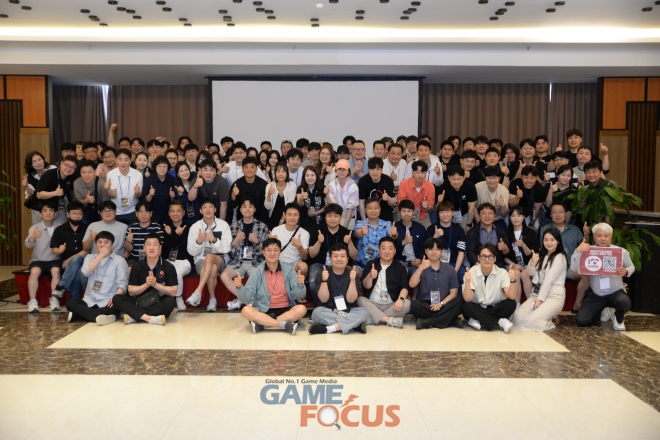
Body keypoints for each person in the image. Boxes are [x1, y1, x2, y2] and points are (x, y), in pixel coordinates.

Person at [232, 238, 307, 334]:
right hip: (263, 310)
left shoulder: (288, 270)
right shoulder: (257, 272)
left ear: (280, 252)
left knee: (301, 309)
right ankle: (283, 324)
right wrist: (239, 287)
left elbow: (300, 296)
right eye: (269, 250)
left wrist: (300, 285)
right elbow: (247, 299)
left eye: (275, 250)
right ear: (263, 252)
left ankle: (264, 324)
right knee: (246, 310)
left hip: (285, 309)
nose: (272, 253)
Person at [571, 223, 634, 331]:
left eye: (606, 236)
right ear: (594, 237)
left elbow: (631, 266)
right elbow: (573, 267)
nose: (603, 239)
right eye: (599, 235)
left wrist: (626, 271)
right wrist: (578, 251)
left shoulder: (620, 251)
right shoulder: (587, 250)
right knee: (581, 321)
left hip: (615, 292)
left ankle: (618, 318)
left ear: (611, 237)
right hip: (596, 294)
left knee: (624, 302)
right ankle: (602, 312)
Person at [113, 232, 177, 325]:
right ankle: (149, 318)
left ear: (160, 248)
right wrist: (146, 285)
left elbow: (173, 292)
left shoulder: (168, 267)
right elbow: (131, 292)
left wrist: (155, 284)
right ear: (144, 247)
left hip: (158, 302)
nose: (151, 248)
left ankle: (135, 316)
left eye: (155, 244)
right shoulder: (137, 266)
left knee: (170, 302)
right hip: (139, 302)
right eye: (148, 244)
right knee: (117, 298)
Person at [65, 231, 128, 325]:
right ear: (95, 244)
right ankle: (99, 316)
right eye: (99, 242)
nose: (102, 245)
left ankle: (80, 315)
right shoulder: (89, 257)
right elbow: (85, 272)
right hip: (89, 301)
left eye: (106, 242)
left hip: (108, 301)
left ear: (112, 245)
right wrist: (101, 255)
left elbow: (122, 283)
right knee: (70, 303)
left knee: (115, 308)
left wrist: (115, 298)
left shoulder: (119, 260)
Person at [512, 229, 567, 331]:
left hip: (553, 296)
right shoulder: (541, 254)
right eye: (546, 240)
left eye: (552, 240)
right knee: (516, 318)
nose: (549, 243)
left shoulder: (560, 257)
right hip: (536, 294)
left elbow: (549, 279)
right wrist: (532, 262)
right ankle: (546, 317)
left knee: (531, 321)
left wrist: (540, 300)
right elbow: (530, 272)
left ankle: (549, 319)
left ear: (558, 241)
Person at [309, 244, 369, 335]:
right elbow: (323, 299)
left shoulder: (353, 274)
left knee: (364, 312)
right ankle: (354, 325)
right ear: (330, 259)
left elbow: (351, 299)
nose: (339, 259)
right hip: (328, 311)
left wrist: (352, 280)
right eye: (336, 256)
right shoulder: (322, 273)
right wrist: (324, 280)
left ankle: (330, 328)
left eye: (342, 256)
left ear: (347, 259)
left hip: (348, 311)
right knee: (316, 312)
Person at [186, 197, 232, 311]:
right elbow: (191, 251)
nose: (208, 210)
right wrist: (199, 241)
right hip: (201, 259)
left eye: (210, 207)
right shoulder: (195, 227)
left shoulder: (223, 225)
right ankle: (212, 300)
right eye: (205, 207)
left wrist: (214, 240)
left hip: (220, 258)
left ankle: (198, 291)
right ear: (200, 210)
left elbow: (227, 248)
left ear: (215, 209)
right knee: (212, 268)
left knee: (210, 257)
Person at [307, 203, 358, 306]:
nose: (332, 219)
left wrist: (349, 243)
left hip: (341, 266)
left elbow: (354, 256)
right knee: (313, 278)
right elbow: (311, 254)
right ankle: (320, 307)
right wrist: (319, 242)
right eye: (329, 216)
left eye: (336, 216)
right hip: (320, 265)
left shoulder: (346, 233)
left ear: (340, 217)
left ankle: (343, 307)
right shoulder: (318, 231)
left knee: (352, 275)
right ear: (325, 217)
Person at [220, 197, 270, 300]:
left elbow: (266, 252)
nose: (247, 209)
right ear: (240, 210)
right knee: (224, 276)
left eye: (250, 207)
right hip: (238, 261)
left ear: (254, 209)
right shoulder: (233, 227)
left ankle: (242, 300)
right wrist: (237, 241)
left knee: (260, 277)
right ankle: (244, 299)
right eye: (244, 207)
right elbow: (230, 251)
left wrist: (256, 242)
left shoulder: (263, 226)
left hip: (255, 262)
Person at [462, 244, 518, 333]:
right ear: (479, 258)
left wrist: (512, 280)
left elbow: (512, 296)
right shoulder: (471, 272)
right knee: (466, 307)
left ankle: (479, 319)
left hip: (496, 307)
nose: (487, 259)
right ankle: (499, 321)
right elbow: (468, 299)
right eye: (484, 256)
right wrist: (468, 281)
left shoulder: (502, 272)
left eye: (490, 256)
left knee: (511, 304)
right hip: (478, 306)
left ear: (495, 258)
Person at [410, 238, 464, 329]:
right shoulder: (421, 268)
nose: (434, 252)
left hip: (444, 304)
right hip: (426, 305)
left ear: (441, 252)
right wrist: (421, 268)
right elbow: (412, 284)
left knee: (460, 301)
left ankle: (428, 322)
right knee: (414, 305)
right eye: (431, 249)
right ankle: (449, 320)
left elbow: (454, 293)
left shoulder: (450, 270)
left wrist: (441, 304)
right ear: (426, 251)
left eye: (437, 249)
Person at [358, 237, 410, 328]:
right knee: (360, 300)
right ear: (378, 250)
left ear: (394, 251)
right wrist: (370, 276)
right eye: (383, 248)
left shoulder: (400, 267)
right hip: (373, 303)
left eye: (390, 248)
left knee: (407, 304)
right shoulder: (371, 264)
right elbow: (365, 286)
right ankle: (388, 320)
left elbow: (404, 287)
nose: (387, 251)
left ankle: (373, 317)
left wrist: (400, 300)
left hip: (391, 305)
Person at [24, 202, 62, 313]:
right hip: (38, 260)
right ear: (40, 214)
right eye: (45, 211)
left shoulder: (60, 227)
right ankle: (32, 301)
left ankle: (54, 300)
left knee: (56, 271)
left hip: (54, 260)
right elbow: (28, 244)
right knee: (34, 272)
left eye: (51, 210)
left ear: (55, 213)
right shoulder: (35, 228)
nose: (48, 213)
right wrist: (33, 237)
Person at [50, 202, 88, 301]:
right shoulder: (60, 230)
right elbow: (54, 250)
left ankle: (62, 285)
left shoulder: (87, 228)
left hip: (84, 260)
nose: (77, 216)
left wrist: (70, 259)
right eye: (74, 213)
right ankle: (74, 297)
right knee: (78, 270)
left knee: (77, 259)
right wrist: (59, 250)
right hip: (65, 262)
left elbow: (87, 250)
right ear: (68, 214)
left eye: (80, 214)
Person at [427, 201, 467, 295]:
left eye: (447, 211)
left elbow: (461, 252)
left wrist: (455, 270)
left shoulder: (459, 230)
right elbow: (427, 249)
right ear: (438, 214)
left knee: (463, 275)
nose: (445, 215)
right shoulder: (431, 228)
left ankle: (459, 300)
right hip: (436, 263)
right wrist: (435, 236)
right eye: (442, 212)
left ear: (452, 213)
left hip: (454, 263)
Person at [161, 200, 194, 311]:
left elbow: (187, 249)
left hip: (184, 261)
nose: (175, 214)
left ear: (183, 212)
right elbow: (165, 250)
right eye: (172, 211)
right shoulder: (165, 228)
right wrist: (172, 235)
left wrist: (178, 235)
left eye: (178, 211)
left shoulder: (190, 227)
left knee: (177, 273)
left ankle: (179, 299)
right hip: (168, 260)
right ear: (169, 213)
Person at [540, 202, 584, 280]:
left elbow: (583, 246)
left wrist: (586, 235)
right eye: (554, 212)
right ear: (551, 215)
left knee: (586, 276)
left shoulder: (575, 229)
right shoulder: (545, 229)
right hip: (552, 265)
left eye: (561, 212)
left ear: (565, 214)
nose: (558, 215)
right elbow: (542, 249)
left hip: (571, 266)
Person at [504, 206, 538, 305]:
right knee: (516, 273)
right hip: (511, 264)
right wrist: (514, 265)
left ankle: (530, 304)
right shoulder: (506, 233)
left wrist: (523, 245)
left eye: (519, 215)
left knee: (524, 274)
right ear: (509, 217)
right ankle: (517, 304)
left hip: (528, 264)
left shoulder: (531, 233)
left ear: (523, 217)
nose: (516, 218)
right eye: (513, 215)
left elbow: (532, 254)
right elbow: (503, 256)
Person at [353, 198, 398, 270]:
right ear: (365, 210)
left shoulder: (386, 224)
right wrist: (362, 232)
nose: (373, 211)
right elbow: (357, 233)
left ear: (380, 209)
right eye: (370, 208)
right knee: (354, 272)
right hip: (362, 264)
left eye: (375, 208)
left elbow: (393, 235)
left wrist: (394, 234)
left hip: (382, 265)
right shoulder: (360, 223)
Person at [35, 155, 77, 226]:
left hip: (58, 208)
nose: (69, 169)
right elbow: (39, 195)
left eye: (73, 167)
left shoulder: (72, 177)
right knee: (41, 231)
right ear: (61, 164)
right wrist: (55, 193)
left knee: (60, 230)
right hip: (41, 209)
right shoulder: (49, 174)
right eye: (67, 165)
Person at [465, 203, 511, 268]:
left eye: (490, 213)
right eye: (484, 213)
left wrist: (505, 248)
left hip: (497, 264)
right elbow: (470, 251)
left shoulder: (501, 231)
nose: (487, 216)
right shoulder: (472, 232)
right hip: (479, 264)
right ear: (479, 216)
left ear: (494, 216)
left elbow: (507, 253)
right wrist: (478, 264)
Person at [105, 148, 143, 225]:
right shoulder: (111, 174)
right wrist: (108, 189)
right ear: (116, 160)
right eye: (120, 159)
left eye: (126, 160)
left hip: (132, 210)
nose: (123, 163)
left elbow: (138, 197)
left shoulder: (138, 175)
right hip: (116, 211)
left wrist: (137, 192)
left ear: (130, 160)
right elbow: (113, 195)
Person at [270, 203, 310, 276]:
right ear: (285, 215)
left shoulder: (305, 233)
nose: (292, 218)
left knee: (303, 267)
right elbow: (270, 253)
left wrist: (299, 246)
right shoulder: (276, 230)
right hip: (278, 261)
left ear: (299, 216)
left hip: (295, 263)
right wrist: (270, 243)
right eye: (289, 214)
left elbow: (305, 257)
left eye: (295, 215)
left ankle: (299, 283)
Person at [124, 201, 164, 269]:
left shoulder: (157, 228)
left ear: (151, 213)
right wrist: (128, 241)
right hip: (134, 261)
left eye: (147, 211)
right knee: (129, 271)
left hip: (152, 260)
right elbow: (129, 250)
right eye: (141, 212)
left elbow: (159, 249)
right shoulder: (131, 228)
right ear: (136, 214)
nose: (143, 214)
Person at [228, 156, 268, 224]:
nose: (249, 170)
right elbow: (231, 205)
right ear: (242, 169)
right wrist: (233, 195)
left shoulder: (264, 185)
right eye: (246, 167)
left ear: (256, 169)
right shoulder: (237, 184)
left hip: (260, 220)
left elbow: (265, 207)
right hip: (241, 220)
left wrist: (262, 224)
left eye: (252, 167)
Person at [437, 166, 477, 230]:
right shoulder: (443, 187)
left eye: (459, 179)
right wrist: (439, 201)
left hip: (464, 213)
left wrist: (468, 225)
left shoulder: (470, 187)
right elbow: (438, 208)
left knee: (467, 231)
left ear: (463, 178)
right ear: (449, 178)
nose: (456, 182)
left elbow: (471, 208)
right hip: (448, 214)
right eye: (453, 179)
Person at [398, 160, 435, 228]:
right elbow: (402, 203)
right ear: (413, 172)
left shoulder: (430, 186)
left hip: (422, 215)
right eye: (417, 172)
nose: (420, 175)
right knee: (400, 230)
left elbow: (430, 209)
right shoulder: (404, 184)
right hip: (406, 214)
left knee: (429, 230)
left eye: (423, 172)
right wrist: (409, 213)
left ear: (426, 173)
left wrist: (428, 206)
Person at [23, 150, 57, 225]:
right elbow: (33, 194)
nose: (38, 163)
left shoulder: (53, 169)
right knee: (38, 229)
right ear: (30, 165)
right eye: (34, 161)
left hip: (55, 205)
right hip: (38, 207)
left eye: (39, 159)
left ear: (43, 159)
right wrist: (26, 186)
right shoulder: (30, 177)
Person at [358, 157, 397, 222]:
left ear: (382, 170)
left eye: (378, 169)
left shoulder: (388, 181)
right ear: (368, 170)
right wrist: (364, 221)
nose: (375, 172)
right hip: (369, 212)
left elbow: (393, 203)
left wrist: (388, 198)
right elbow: (361, 202)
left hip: (384, 212)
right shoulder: (363, 181)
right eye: (372, 169)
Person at [394, 200, 426, 275]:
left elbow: (424, 248)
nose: (406, 214)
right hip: (400, 262)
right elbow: (391, 250)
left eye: (409, 211)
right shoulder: (394, 228)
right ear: (399, 212)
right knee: (401, 272)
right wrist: (402, 243)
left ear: (413, 212)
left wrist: (420, 259)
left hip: (416, 262)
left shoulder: (420, 228)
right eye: (403, 211)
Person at [73, 159, 109, 224]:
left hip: (100, 213)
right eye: (83, 172)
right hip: (85, 212)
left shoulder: (102, 184)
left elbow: (106, 204)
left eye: (90, 172)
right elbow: (78, 205)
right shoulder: (76, 183)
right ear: (80, 173)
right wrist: (86, 201)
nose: (87, 175)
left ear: (95, 172)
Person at [509, 165, 545, 229]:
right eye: (526, 177)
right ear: (521, 177)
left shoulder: (540, 189)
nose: (529, 181)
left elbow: (537, 209)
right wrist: (517, 197)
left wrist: (532, 222)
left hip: (530, 213)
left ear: (536, 178)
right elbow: (511, 205)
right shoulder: (514, 184)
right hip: (515, 213)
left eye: (532, 178)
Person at [326, 159, 359, 229]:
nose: (342, 171)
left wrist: (345, 227)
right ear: (336, 171)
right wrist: (327, 194)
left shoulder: (353, 186)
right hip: (334, 219)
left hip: (349, 219)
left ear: (348, 171)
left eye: (344, 169)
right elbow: (332, 205)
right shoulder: (331, 184)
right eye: (339, 169)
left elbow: (350, 208)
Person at [264, 162, 298, 230]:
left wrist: (282, 221)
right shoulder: (269, 185)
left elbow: (289, 205)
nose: (280, 174)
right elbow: (267, 207)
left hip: (287, 217)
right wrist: (269, 194)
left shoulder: (292, 186)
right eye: (278, 171)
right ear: (275, 173)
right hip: (272, 217)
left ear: (287, 173)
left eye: (283, 171)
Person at [142, 156, 175, 224]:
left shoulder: (172, 180)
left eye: (164, 166)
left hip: (168, 216)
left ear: (167, 168)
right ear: (155, 168)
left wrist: (172, 197)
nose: (162, 169)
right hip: (153, 216)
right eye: (159, 166)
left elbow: (175, 201)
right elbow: (145, 201)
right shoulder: (149, 180)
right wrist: (150, 195)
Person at [172, 161, 202, 225]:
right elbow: (184, 202)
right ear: (178, 174)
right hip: (185, 217)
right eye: (181, 171)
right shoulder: (177, 186)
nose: (184, 173)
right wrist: (181, 195)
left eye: (186, 170)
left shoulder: (195, 178)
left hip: (199, 214)